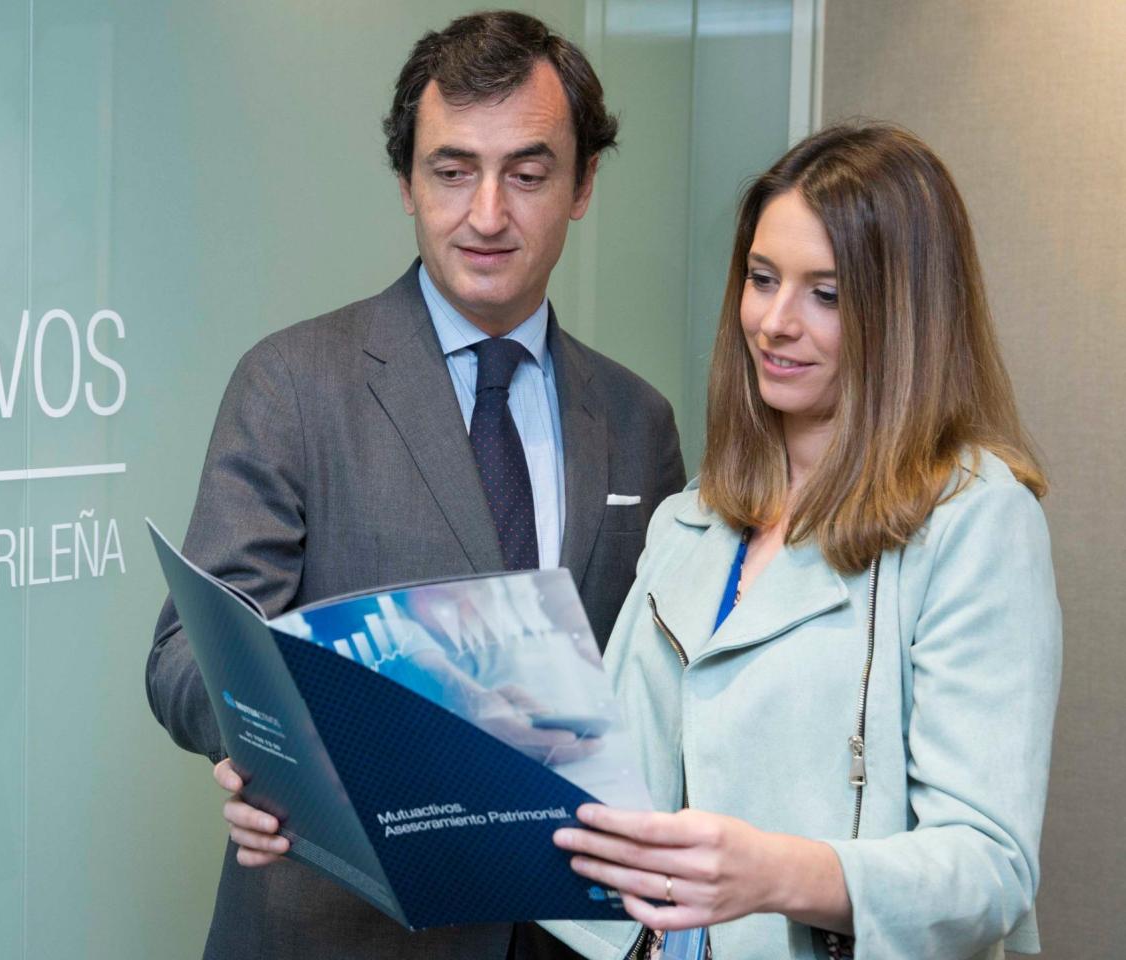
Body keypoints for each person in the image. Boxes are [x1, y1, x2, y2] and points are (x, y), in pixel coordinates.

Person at [145, 11, 685, 960]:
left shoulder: (639, 421)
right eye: (452, 171)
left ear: (584, 184)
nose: (488, 214)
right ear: (406, 183)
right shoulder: (292, 383)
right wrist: (270, 737)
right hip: (339, 929)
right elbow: (187, 653)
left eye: (527, 174)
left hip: (566, 935)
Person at [544, 123, 1061, 960]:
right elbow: (603, 801)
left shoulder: (974, 521)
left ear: (905, 316)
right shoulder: (691, 518)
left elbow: (989, 869)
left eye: (827, 294)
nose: (774, 323)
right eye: (762, 279)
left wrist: (775, 874)